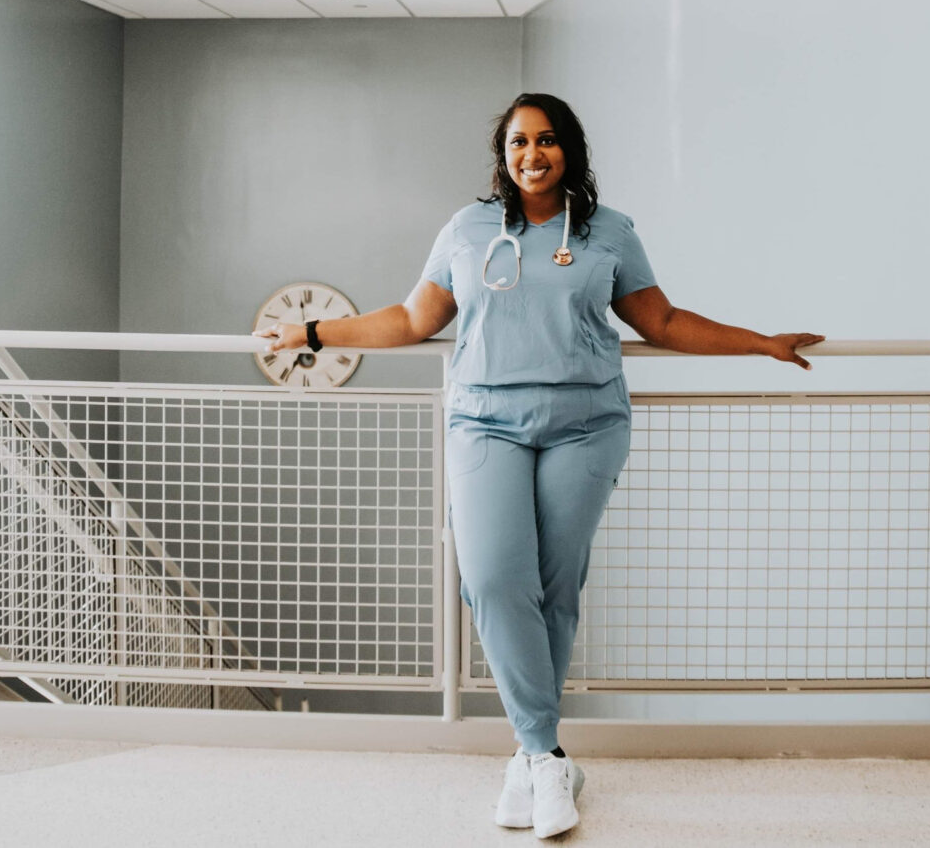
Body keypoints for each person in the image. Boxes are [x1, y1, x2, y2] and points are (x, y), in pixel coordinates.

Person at [253, 93, 824, 839]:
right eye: (519, 141)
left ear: (570, 151)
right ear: (503, 154)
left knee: (556, 588)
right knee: (492, 578)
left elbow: (664, 323)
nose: (533, 154)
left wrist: (762, 343)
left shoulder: (609, 233)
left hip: (585, 426)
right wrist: (313, 330)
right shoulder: (468, 228)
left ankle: (536, 763)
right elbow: (414, 319)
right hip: (486, 422)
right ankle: (545, 752)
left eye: (547, 140)